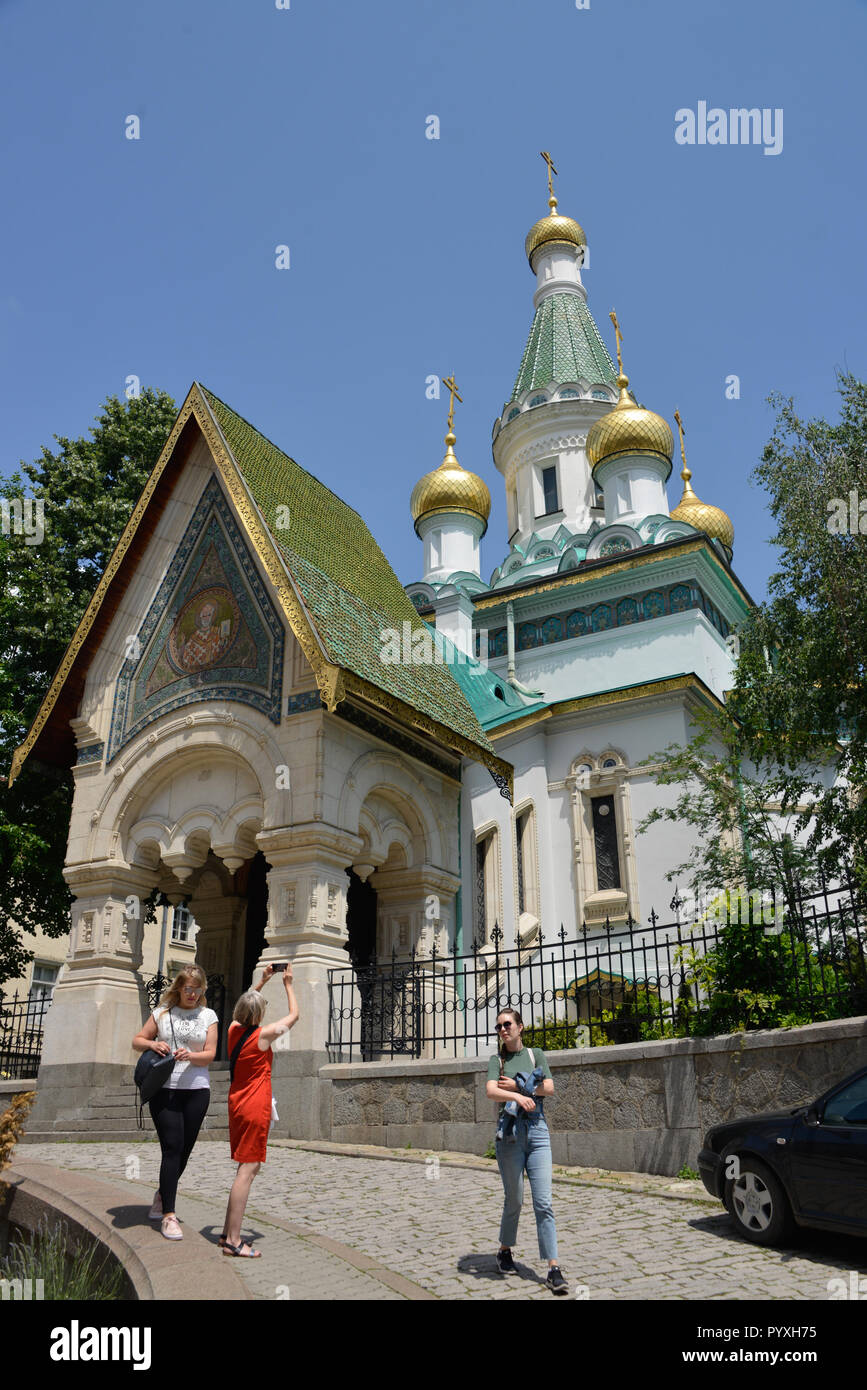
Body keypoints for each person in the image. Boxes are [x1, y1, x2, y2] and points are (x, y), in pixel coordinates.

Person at [131, 964, 218, 1241]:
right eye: (188, 988)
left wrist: (190, 1056)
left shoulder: (209, 1016)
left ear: (203, 990)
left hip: (196, 1089)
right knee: (172, 1147)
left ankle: (161, 1194)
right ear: (179, 987)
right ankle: (169, 1214)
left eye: (197, 989)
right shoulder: (162, 1013)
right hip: (164, 1089)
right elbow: (137, 1040)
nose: (192, 994)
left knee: (185, 1150)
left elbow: (210, 1054)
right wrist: (153, 1045)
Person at [486, 1007, 569, 1294]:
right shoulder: (496, 1060)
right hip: (508, 1135)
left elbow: (549, 1087)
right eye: (498, 1027)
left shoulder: (536, 1055)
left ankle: (553, 1268)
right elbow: (491, 1091)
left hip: (537, 1132)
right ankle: (505, 1250)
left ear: (520, 1027)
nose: (503, 1030)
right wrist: (519, 1096)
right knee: (515, 1199)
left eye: (507, 1024)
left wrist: (520, 1085)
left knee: (543, 1201)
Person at [220, 962, 299, 1257]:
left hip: (236, 1103)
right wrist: (288, 984)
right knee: (248, 1170)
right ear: (259, 1015)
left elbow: (244, 1006)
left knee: (243, 1168)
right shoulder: (261, 1037)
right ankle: (234, 1240)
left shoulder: (233, 1031)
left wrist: (261, 983)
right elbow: (294, 1017)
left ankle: (228, 1233)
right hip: (255, 1105)